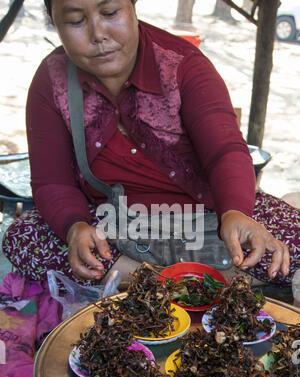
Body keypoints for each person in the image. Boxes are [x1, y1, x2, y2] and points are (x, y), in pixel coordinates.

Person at [2, 0, 299, 287]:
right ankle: (184, 282)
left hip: (208, 219)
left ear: (133, 6)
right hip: (114, 226)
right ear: (55, 24)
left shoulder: (183, 66)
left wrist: (235, 212)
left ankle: (139, 280)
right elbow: (52, 183)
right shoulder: (51, 82)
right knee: (24, 236)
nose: (98, 34)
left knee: (290, 243)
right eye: (76, 21)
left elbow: (226, 152)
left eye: (109, 12)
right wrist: (74, 226)